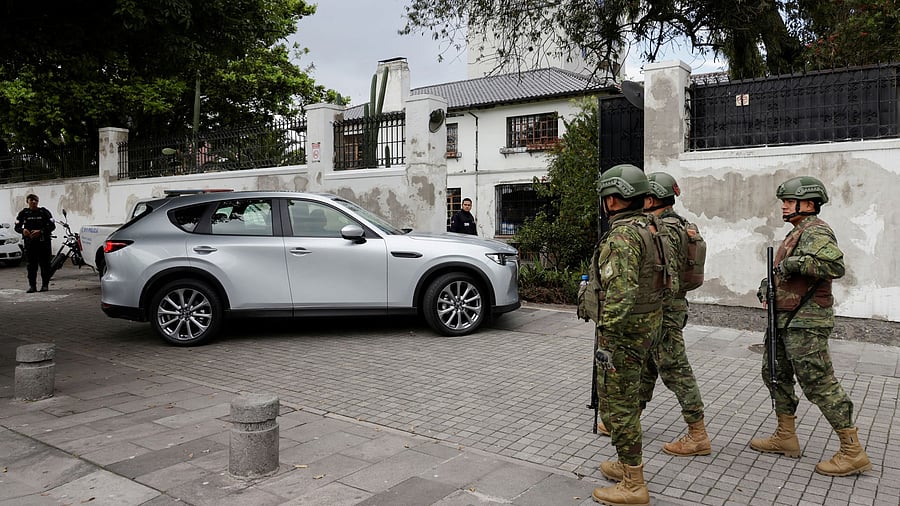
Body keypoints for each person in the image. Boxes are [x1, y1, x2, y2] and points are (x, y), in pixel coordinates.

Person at [750, 176, 872, 477]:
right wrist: (769, 284)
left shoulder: (815, 231)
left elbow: (834, 266)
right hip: (785, 319)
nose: (784, 206)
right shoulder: (797, 232)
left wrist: (793, 264)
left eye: (789, 201)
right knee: (775, 374)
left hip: (806, 322)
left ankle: (852, 450)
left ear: (809, 203)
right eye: (784, 201)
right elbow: (788, 275)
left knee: (818, 382)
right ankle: (785, 436)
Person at [590, 164, 668, 506]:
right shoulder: (651, 228)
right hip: (646, 328)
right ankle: (625, 465)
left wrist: (607, 332)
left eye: (607, 195)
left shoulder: (622, 237)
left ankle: (634, 485)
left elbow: (620, 294)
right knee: (626, 403)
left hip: (623, 336)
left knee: (619, 409)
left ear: (614, 198)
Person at [14, 194, 55, 293]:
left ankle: (45, 285)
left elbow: (52, 226)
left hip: (43, 243)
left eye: (36, 200)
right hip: (30, 244)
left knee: (45, 265)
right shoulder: (24, 213)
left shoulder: (44, 212)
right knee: (31, 266)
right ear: (27, 201)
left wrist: (40, 231)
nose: (34, 202)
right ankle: (32, 286)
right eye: (31, 200)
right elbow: (16, 227)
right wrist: (23, 230)